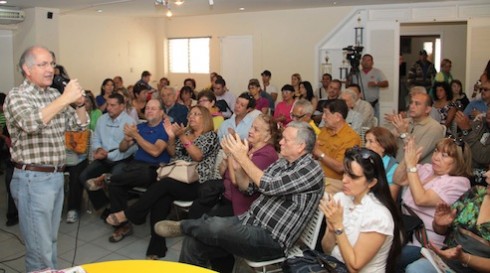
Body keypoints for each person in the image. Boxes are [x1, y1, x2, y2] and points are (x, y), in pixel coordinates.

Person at [154, 121, 324, 271]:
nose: (280, 142)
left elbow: (268, 185)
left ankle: (183, 226)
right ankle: (188, 231)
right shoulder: (282, 163)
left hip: (271, 239)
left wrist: (243, 158)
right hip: (250, 220)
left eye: (286, 140)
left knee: (215, 225)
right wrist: (236, 160)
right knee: (194, 241)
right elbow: (247, 187)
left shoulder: (311, 169)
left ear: (301, 146)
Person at [4, 45, 88, 272]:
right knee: (39, 250)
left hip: (56, 177)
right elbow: (31, 124)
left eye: (51, 63)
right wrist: (65, 99)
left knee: (49, 242)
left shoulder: (53, 94)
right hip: (32, 178)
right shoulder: (17, 96)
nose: (50, 69)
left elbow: (79, 125)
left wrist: (79, 103)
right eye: (43, 64)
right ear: (27, 69)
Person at [105, 105, 219, 259]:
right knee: (160, 198)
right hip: (178, 179)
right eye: (190, 114)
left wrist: (182, 137)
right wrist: (172, 137)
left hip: (198, 184)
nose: (191, 116)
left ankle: (131, 213)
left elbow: (197, 156)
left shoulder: (210, 136)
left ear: (205, 118)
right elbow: (173, 153)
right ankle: (156, 248)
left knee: (164, 184)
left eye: (197, 114)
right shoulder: (185, 133)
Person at [188, 114, 280, 272]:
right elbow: (223, 172)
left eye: (256, 129)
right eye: (251, 127)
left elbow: (239, 182)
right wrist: (229, 158)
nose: (250, 131)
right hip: (229, 198)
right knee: (199, 216)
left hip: (243, 208)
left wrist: (232, 155)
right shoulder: (249, 148)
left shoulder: (266, 155)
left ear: (268, 135)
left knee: (206, 234)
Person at [320, 147, 403, 273]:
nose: (344, 180)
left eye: (353, 177)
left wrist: (338, 226)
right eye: (345, 173)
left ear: (371, 183)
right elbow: (327, 250)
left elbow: (354, 267)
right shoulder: (340, 199)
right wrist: (331, 230)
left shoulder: (378, 216)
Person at [394, 137, 472, 270]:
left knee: (383, 255)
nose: (436, 157)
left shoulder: (459, 182)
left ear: (459, 161)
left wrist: (411, 166)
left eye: (444, 155)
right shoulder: (428, 169)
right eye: (436, 151)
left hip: (425, 244)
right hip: (403, 232)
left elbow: (421, 199)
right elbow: (398, 179)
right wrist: (407, 159)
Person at [405, 168, 490, 273]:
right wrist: (439, 225)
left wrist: (464, 258)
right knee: (408, 263)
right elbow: (443, 231)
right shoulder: (476, 193)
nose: (487, 174)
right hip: (446, 261)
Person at [80, 93, 137, 212]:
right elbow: (96, 138)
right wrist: (99, 149)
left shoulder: (130, 122)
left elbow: (130, 149)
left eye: (113, 105)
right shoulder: (102, 119)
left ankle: (118, 212)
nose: (109, 108)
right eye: (108, 105)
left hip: (122, 159)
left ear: (122, 106)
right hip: (103, 157)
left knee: (115, 180)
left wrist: (108, 154)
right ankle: (103, 205)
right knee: (84, 177)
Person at [314, 99, 361, 183]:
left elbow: (340, 167)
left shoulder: (351, 138)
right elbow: (315, 154)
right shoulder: (325, 130)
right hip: (317, 176)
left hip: (335, 181)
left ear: (338, 117)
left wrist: (318, 153)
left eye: (326, 113)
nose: (323, 117)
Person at [390, 92, 444, 164]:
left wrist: (403, 133)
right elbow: (386, 143)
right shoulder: (405, 122)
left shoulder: (434, 128)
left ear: (427, 109)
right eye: (411, 103)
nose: (412, 106)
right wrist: (393, 135)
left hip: (417, 171)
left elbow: (416, 155)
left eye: (417, 104)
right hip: (396, 165)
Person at [455, 108, 490, 186]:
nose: (489, 112)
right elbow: (460, 146)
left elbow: (482, 157)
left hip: (481, 181)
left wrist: (467, 131)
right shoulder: (479, 123)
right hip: (461, 170)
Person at [364, 127, 399, 200]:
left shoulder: (393, 167)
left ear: (383, 146)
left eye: (371, 141)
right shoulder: (365, 160)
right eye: (366, 141)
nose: (366, 146)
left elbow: (390, 198)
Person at [351, 54, 389, 119]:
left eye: (368, 60)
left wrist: (376, 84)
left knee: (374, 124)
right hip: (360, 104)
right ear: (361, 62)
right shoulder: (357, 74)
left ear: (372, 62)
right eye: (364, 60)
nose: (366, 62)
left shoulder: (377, 72)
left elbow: (386, 83)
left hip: (373, 104)